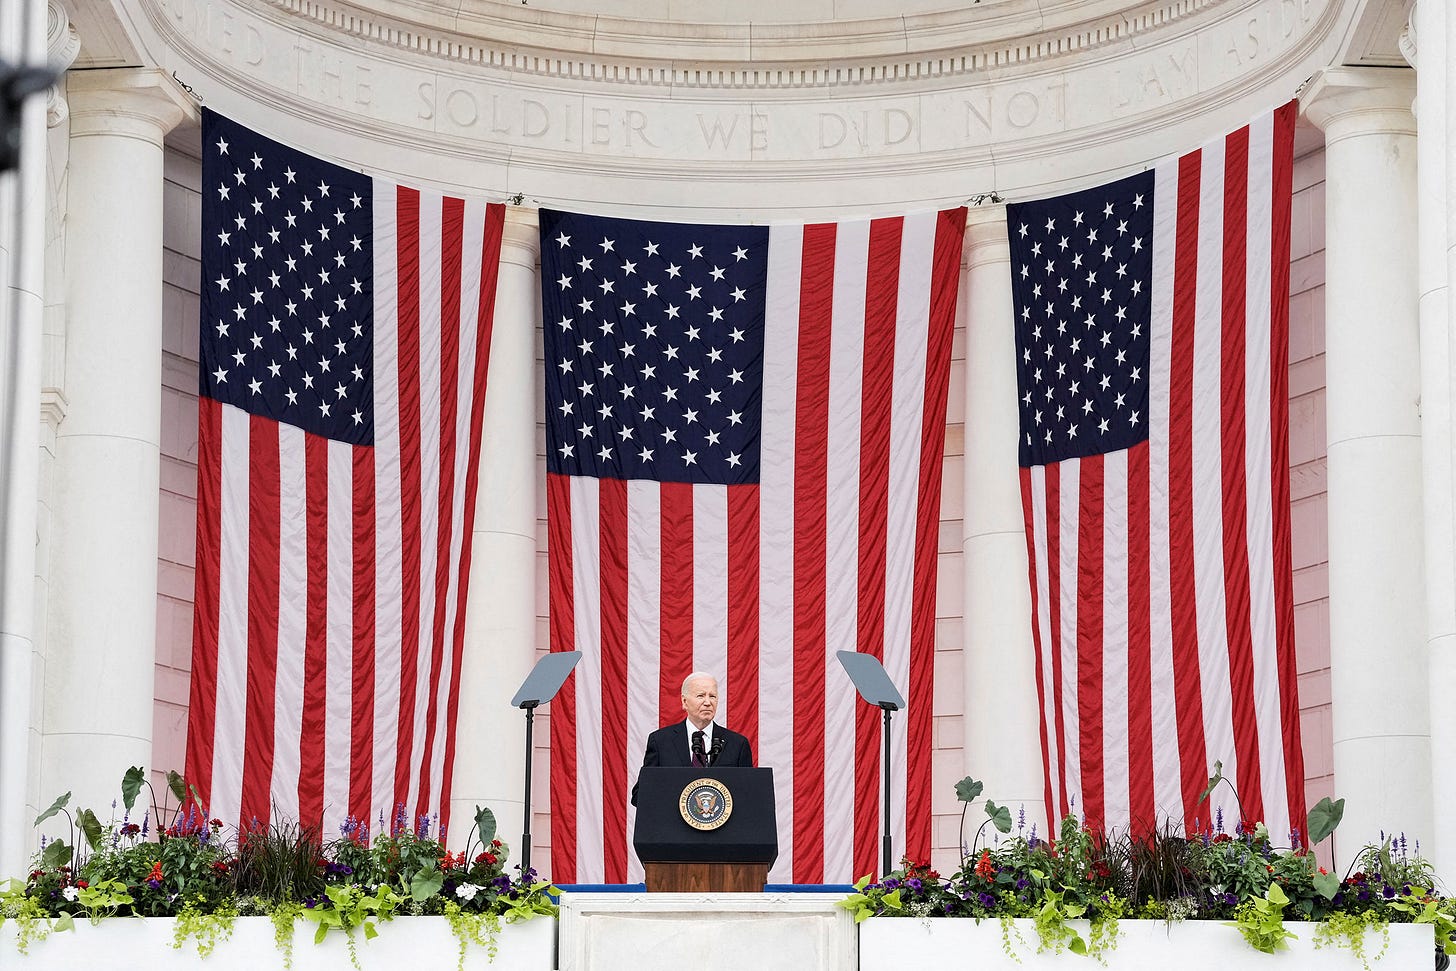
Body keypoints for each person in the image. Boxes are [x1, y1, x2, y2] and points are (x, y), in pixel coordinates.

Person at [630, 672, 753, 806]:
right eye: (700, 696)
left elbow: (748, 796)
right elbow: (640, 795)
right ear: (684, 702)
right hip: (674, 825)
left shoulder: (737, 744)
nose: (708, 702)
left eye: (712, 696)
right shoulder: (661, 742)